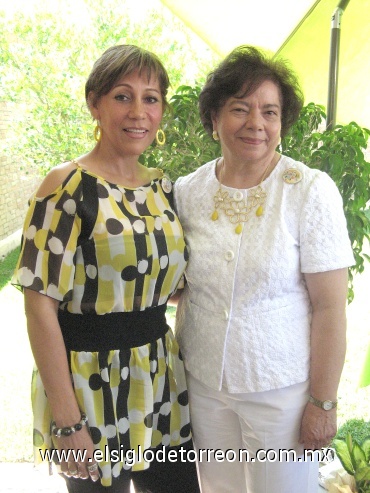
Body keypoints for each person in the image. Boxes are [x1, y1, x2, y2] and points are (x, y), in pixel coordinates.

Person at [12, 45, 200, 493]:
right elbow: (39, 307)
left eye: (151, 98)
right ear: (94, 103)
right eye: (122, 96)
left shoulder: (162, 188)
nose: (138, 112)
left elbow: (167, 279)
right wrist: (66, 421)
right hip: (90, 386)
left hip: (159, 379)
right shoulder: (66, 186)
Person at [174, 45, 355, 493]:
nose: (256, 123)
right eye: (240, 108)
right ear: (214, 117)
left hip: (283, 394)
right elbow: (179, 282)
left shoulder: (309, 191)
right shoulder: (187, 191)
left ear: (281, 124)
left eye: (270, 112)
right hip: (203, 382)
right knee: (218, 488)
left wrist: (323, 402)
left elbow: (331, 307)